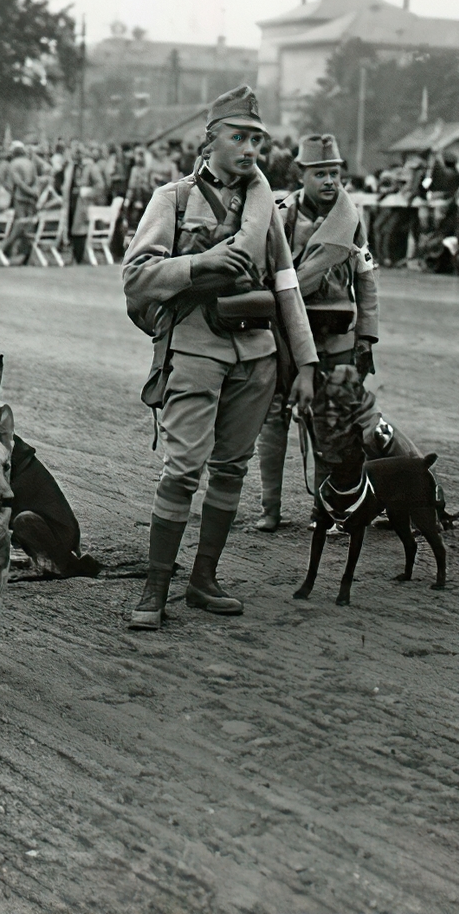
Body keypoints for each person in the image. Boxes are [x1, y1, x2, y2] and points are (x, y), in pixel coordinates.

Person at [121, 86, 318, 629]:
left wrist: (305, 363)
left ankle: (204, 579)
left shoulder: (265, 208)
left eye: (257, 138)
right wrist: (199, 262)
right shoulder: (173, 199)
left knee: (232, 467)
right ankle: (156, 586)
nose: (251, 148)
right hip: (195, 346)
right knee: (183, 469)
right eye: (239, 136)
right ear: (210, 141)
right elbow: (135, 276)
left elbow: (286, 286)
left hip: (255, 351)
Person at [253, 133, 379, 531]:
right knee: (273, 423)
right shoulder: (281, 214)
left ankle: (326, 510)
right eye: (320, 173)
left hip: (338, 337)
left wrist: (367, 338)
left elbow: (366, 280)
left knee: (334, 424)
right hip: (287, 335)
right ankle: (269, 509)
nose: (329, 182)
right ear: (301, 175)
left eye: (335, 174)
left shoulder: (351, 219)